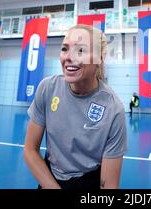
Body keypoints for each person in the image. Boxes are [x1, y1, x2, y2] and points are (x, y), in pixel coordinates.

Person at [24, 24, 127, 189]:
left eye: (80, 50)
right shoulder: (48, 88)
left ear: (100, 58)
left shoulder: (113, 110)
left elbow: (109, 185)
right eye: (65, 49)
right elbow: (30, 150)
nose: (69, 57)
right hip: (50, 180)